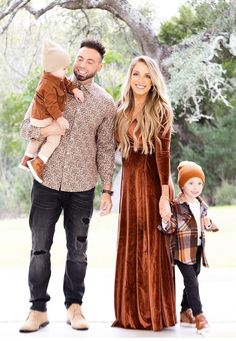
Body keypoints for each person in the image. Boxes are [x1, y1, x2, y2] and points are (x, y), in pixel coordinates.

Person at [19, 38, 116, 333]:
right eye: (79, 58)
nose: (82, 64)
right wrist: (52, 128)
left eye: (90, 61)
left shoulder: (105, 102)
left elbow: (106, 148)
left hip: (82, 187)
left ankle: (74, 306)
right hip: (46, 183)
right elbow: (26, 127)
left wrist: (108, 190)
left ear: (99, 66)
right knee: (39, 249)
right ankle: (37, 309)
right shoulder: (50, 83)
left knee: (77, 251)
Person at [112, 55, 177, 331]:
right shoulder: (121, 108)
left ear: (154, 81)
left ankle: (154, 312)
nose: (140, 80)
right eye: (136, 74)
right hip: (128, 183)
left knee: (153, 245)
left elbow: (163, 154)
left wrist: (164, 195)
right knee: (131, 242)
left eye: (146, 76)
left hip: (153, 182)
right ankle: (129, 313)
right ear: (129, 77)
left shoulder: (161, 108)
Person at [158, 161, 219, 335]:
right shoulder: (176, 206)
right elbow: (168, 228)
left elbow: (206, 224)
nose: (196, 187)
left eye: (199, 183)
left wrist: (210, 224)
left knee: (192, 280)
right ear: (182, 185)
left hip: (198, 249)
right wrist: (165, 219)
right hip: (182, 252)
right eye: (191, 183)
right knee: (191, 281)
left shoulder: (201, 205)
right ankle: (199, 316)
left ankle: (185, 311)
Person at [19, 40, 84, 183]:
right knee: (52, 138)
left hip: (44, 115)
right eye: (63, 69)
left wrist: (74, 89)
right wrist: (60, 118)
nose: (66, 72)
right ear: (53, 68)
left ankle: (26, 159)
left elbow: (66, 82)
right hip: (43, 116)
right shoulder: (47, 84)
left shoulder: (56, 77)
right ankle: (38, 162)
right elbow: (51, 105)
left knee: (39, 138)